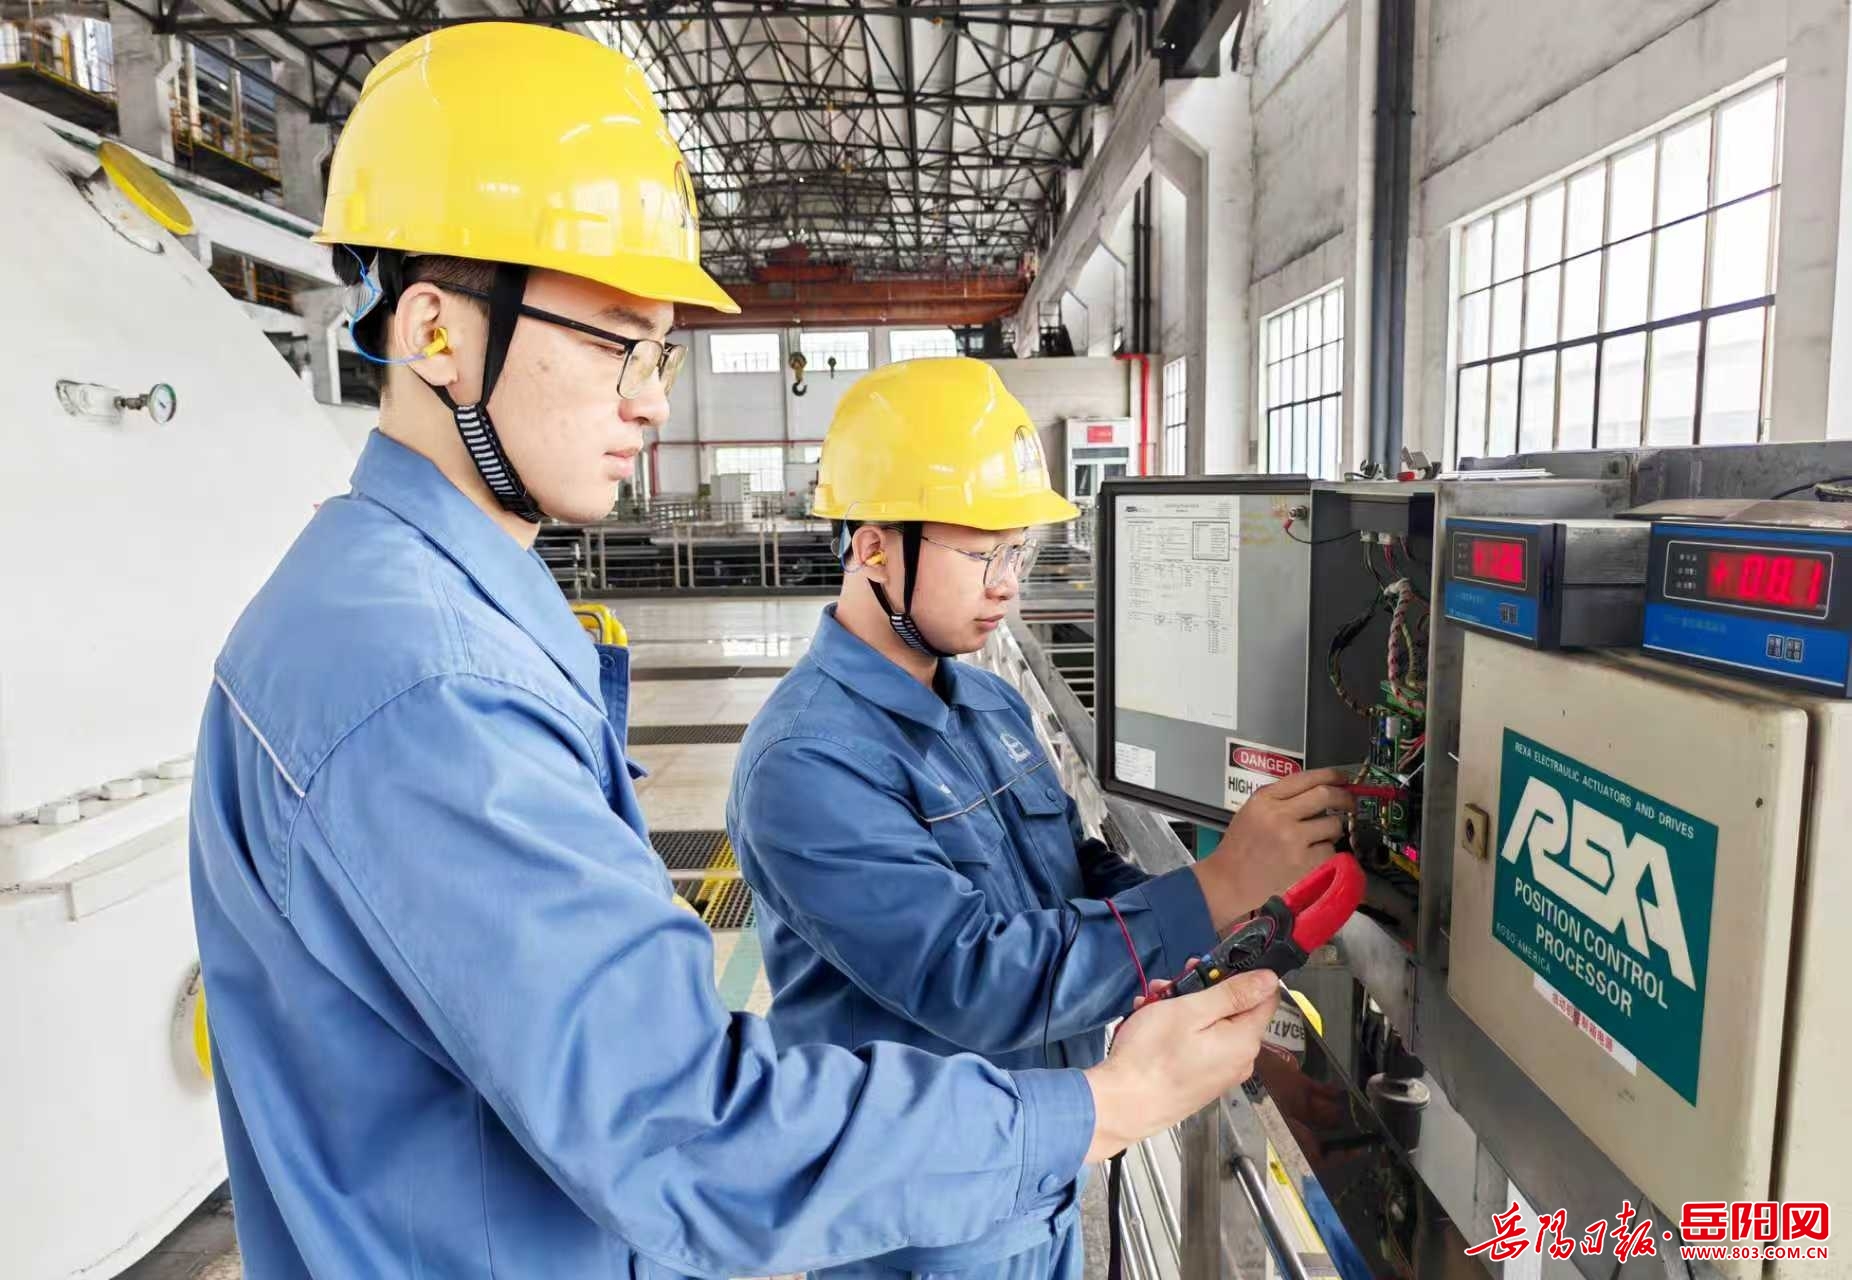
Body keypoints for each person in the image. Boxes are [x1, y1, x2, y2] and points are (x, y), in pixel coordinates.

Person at [188, 24, 1284, 1279]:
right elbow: (684, 1124)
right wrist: (1104, 1103)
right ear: (436, 333)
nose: (653, 397)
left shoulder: (452, 622)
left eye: (661, 350)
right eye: (615, 338)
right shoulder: (424, 682)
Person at [727, 357, 1355, 1280]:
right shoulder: (809, 763)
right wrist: (1214, 886)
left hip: (1047, 1176)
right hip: (925, 1226)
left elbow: (1077, 875)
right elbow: (972, 975)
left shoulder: (987, 703)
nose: (1008, 586)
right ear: (873, 548)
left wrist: (1234, 1024)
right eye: (984, 554)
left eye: (1017, 552)